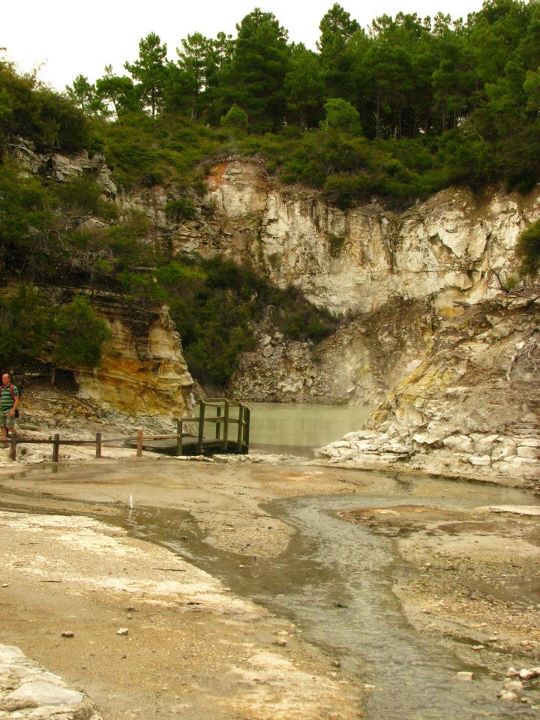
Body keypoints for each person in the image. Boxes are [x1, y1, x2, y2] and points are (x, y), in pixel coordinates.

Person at [0, 372, 19, 441]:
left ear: (9, 379)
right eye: (2, 378)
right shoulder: (1, 388)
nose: (3, 379)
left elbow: (17, 400)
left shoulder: (13, 388)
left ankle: (17, 438)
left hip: (9, 409)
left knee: (9, 426)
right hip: (1, 409)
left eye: (5, 378)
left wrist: (13, 409)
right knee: (2, 426)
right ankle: (4, 442)